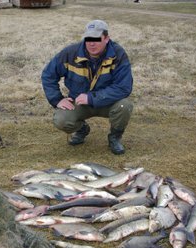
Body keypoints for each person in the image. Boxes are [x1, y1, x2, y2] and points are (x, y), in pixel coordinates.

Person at [41, 20, 133, 155]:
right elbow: (48, 75)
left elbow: (123, 87)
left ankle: (115, 138)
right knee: (61, 120)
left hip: (107, 102)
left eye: (96, 39)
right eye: (88, 38)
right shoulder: (70, 53)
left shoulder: (118, 55)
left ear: (106, 38)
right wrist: (57, 99)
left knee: (124, 106)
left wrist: (91, 98)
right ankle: (81, 129)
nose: (91, 43)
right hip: (79, 102)